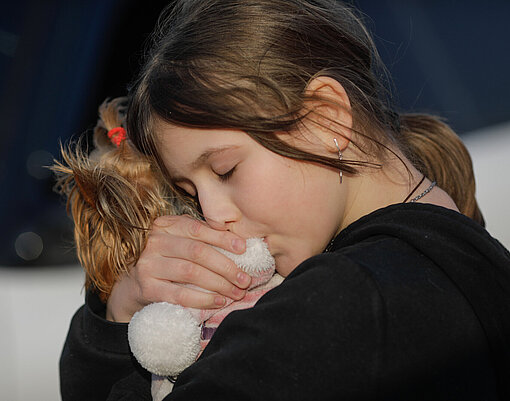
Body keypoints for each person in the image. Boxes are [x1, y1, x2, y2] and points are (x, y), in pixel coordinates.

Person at [58, 0, 510, 400]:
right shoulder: (455, 253)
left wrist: (115, 326)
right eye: (189, 193)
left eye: (225, 171)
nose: (214, 215)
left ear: (326, 120)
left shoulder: (333, 309)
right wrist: (124, 306)